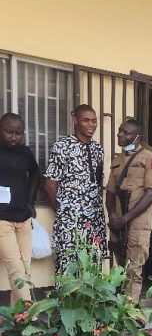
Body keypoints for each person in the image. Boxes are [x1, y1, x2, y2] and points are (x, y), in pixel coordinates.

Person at [44, 105, 105, 275]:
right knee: (68, 265)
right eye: (86, 120)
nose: (91, 125)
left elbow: (98, 182)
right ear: (75, 120)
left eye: (94, 121)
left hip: (94, 219)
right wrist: (63, 210)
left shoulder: (98, 149)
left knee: (92, 265)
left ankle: (90, 294)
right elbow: (49, 183)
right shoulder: (62, 146)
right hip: (70, 218)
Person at [105, 119, 152, 300]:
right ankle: (119, 305)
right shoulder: (118, 160)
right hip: (118, 223)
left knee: (134, 269)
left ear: (138, 137)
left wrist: (125, 219)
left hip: (138, 224)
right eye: (120, 131)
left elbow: (151, 194)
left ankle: (130, 309)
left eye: (126, 133)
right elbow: (110, 192)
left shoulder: (150, 159)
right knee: (120, 268)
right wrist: (113, 216)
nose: (120, 135)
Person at [0, 113, 39, 302]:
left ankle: (18, 316)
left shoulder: (25, 152)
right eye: (9, 132)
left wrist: (30, 201)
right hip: (2, 221)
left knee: (24, 268)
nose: (14, 137)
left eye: (18, 133)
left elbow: (35, 174)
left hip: (23, 219)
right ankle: (31, 314)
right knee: (16, 269)